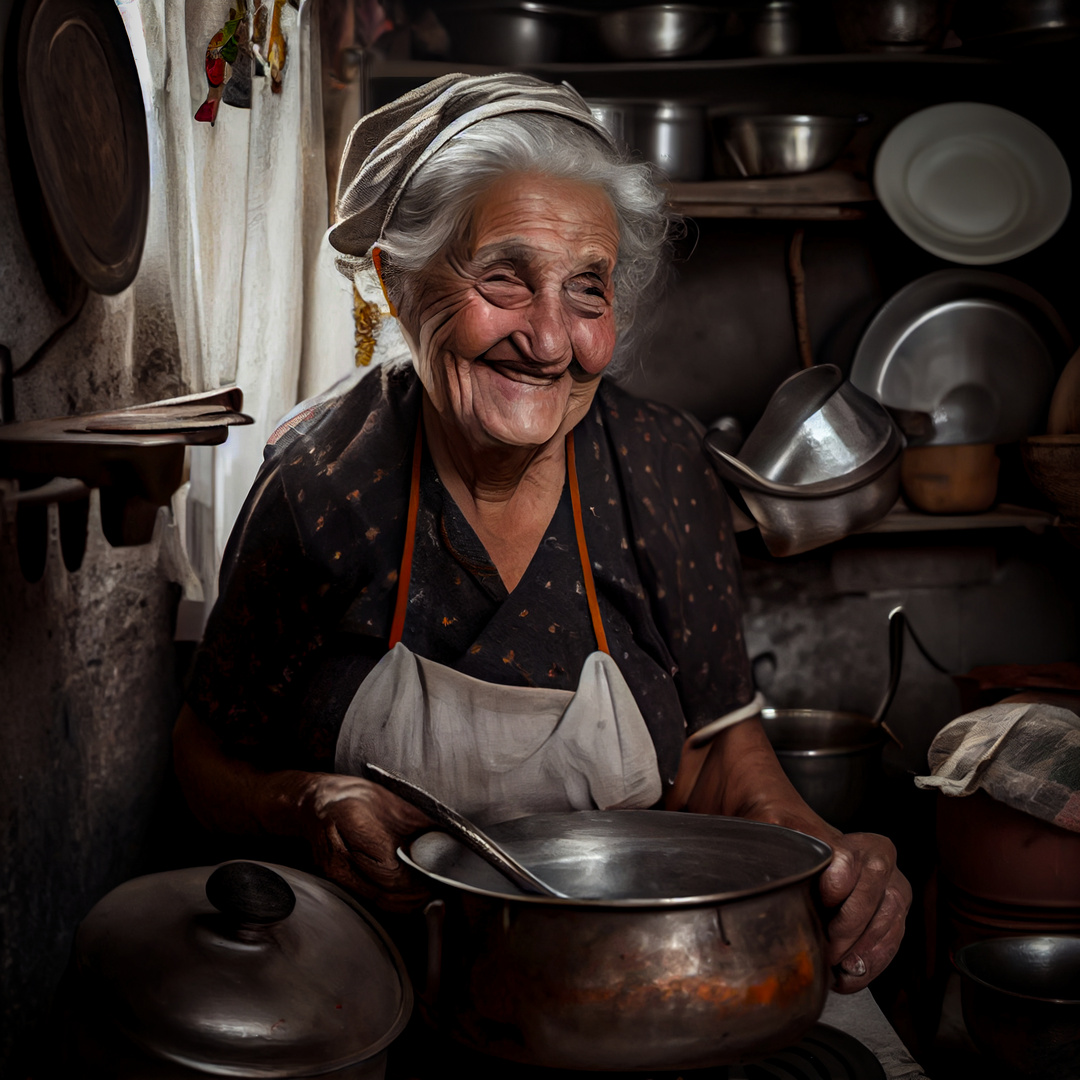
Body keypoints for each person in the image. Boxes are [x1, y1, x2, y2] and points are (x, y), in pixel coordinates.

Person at [173, 72, 910, 993]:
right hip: (360, 986)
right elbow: (203, 758)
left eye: (587, 290)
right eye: (504, 278)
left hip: (624, 989)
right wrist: (309, 802)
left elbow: (721, 759)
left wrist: (834, 862)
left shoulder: (658, 467)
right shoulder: (324, 478)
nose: (552, 339)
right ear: (404, 286)